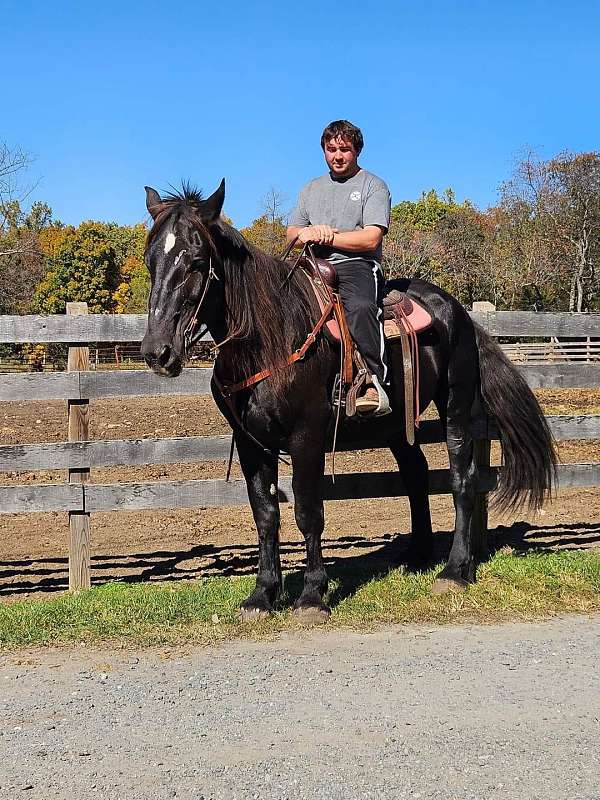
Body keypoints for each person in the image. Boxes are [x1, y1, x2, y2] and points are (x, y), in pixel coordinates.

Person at [287, 119, 392, 415]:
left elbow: (371, 237)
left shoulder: (373, 185)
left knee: (359, 306)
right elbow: (292, 233)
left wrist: (330, 236)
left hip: (356, 264)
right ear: (323, 150)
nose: (337, 156)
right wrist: (304, 234)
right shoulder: (311, 189)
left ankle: (374, 380)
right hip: (311, 265)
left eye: (344, 149)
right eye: (331, 149)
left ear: (357, 151)